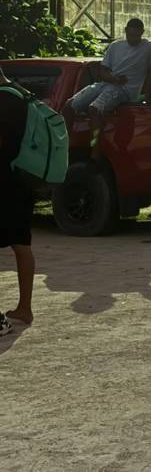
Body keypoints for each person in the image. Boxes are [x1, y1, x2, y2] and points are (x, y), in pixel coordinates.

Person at [65, 18, 151, 151]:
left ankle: (95, 149)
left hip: (124, 90)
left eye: (136, 36)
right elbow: (102, 72)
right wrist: (114, 78)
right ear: (125, 31)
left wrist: (148, 94)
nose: (133, 39)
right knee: (68, 106)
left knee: (95, 109)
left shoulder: (149, 48)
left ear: (142, 33)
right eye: (130, 35)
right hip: (106, 84)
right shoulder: (115, 46)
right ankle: (65, 144)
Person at [0, 67, 34, 335]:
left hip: (4, 181)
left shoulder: (4, 99)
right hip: (23, 179)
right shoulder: (23, 94)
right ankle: (25, 308)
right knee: (21, 244)